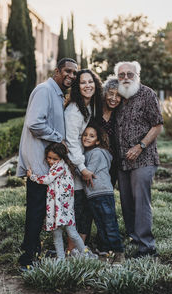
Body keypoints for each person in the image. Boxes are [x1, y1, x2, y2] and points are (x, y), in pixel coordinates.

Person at [17, 58, 78, 268]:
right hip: (39, 165)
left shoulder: (56, 93)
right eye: (67, 71)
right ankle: (27, 259)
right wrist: (57, 138)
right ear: (57, 71)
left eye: (74, 73)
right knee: (35, 211)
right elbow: (35, 123)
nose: (70, 76)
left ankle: (35, 252)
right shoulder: (45, 90)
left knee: (40, 210)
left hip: (47, 165)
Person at [114, 61, 163, 258]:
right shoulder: (117, 96)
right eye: (121, 75)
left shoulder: (147, 94)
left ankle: (147, 247)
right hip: (122, 160)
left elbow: (157, 125)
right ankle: (134, 238)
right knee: (126, 202)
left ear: (137, 75)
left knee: (141, 201)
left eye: (129, 74)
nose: (125, 78)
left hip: (144, 158)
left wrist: (140, 146)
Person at [26, 142, 97, 260]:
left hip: (63, 208)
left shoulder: (60, 166)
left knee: (72, 233)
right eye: (49, 158)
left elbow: (48, 179)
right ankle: (61, 258)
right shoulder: (57, 166)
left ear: (61, 158)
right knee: (57, 233)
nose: (51, 161)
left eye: (55, 158)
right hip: (56, 207)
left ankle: (85, 255)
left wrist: (32, 176)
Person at [65, 69, 103, 252]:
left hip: (82, 165)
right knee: (78, 209)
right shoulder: (74, 111)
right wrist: (82, 167)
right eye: (83, 82)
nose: (87, 85)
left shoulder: (89, 106)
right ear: (77, 87)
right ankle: (72, 251)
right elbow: (71, 143)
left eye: (90, 81)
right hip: (73, 167)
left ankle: (80, 248)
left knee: (85, 208)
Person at [82, 122, 124, 261]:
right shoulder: (88, 152)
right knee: (100, 223)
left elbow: (88, 173)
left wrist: (75, 166)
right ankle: (106, 250)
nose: (87, 137)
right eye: (85, 135)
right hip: (93, 194)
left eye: (92, 136)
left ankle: (118, 252)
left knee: (109, 223)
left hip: (103, 193)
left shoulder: (98, 153)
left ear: (98, 140)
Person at [101, 77, 121, 186]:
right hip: (94, 162)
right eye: (111, 93)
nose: (114, 98)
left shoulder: (119, 115)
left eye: (118, 95)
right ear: (105, 93)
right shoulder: (95, 111)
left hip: (113, 164)